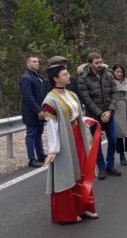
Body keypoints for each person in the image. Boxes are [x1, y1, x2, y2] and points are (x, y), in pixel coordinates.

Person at [42, 65, 99, 223]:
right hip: (64, 139)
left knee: (82, 169)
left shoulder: (72, 94)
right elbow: (52, 127)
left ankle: (85, 207)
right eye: (65, 74)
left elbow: (77, 115)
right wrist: (53, 149)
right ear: (55, 78)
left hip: (77, 136)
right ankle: (68, 212)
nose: (69, 76)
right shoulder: (50, 100)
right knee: (67, 172)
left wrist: (87, 122)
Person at [78, 53, 122, 180]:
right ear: (90, 63)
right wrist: (100, 113)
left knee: (113, 140)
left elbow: (115, 93)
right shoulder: (83, 78)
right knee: (97, 142)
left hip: (109, 114)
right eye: (96, 63)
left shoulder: (108, 74)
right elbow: (86, 99)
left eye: (101, 62)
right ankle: (101, 167)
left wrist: (109, 111)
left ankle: (110, 165)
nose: (99, 65)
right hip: (94, 116)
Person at [19, 55, 46, 168]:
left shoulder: (38, 77)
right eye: (34, 62)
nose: (37, 63)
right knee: (31, 134)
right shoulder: (25, 78)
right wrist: (38, 111)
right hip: (31, 112)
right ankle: (31, 159)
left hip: (41, 110)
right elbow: (28, 97)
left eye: (37, 61)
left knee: (39, 133)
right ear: (28, 64)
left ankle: (40, 155)